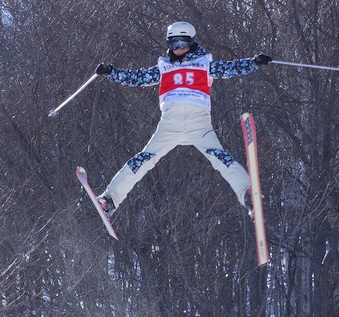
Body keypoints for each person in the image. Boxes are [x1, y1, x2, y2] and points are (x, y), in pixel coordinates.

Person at [94, 22, 271, 218]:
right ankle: (110, 200)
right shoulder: (164, 67)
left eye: (183, 44)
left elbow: (231, 68)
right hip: (170, 123)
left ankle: (249, 195)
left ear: (192, 43)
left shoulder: (205, 63)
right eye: (174, 45)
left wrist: (254, 62)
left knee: (220, 158)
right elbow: (136, 78)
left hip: (199, 122)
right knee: (143, 159)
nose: (178, 49)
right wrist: (111, 72)